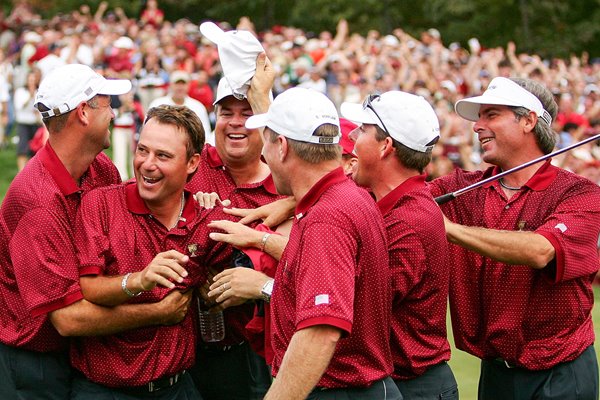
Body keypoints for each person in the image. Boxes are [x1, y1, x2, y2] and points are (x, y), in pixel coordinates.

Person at [0, 63, 191, 399]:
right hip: (33, 363)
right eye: (107, 103)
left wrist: (194, 194)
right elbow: (68, 319)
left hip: (75, 353)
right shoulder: (36, 202)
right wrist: (158, 313)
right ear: (84, 113)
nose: (114, 112)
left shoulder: (98, 167)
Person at [429, 77, 600, 400]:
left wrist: (449, 229)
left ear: (528, 121)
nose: (477, 126)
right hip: (496, 374)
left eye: (491, 114)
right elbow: (400, 198)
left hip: (561, 375)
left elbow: (540, 250)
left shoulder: (580, 192)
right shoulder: (463, 187)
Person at [245, 87, 400, 400]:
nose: (263, 155)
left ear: (283, 147)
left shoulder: (327, 216)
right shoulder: (347, 197)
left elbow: (321, 331)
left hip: (339, 390)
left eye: (267, 142)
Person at [71, 105, 234, 399]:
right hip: (102, 390)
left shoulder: (208, 221)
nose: (147, 164)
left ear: (192, 163)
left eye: (163, 156)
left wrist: (215, 293)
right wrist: (139, 280)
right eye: (142, 150)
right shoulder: (101, 205)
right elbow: (87, 288)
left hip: (176, 387)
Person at [341, 91, 458, 399]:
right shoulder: (395, 206)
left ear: (385, 146)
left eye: (363, 129)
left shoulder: (407, 222)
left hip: (412, 386)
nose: (352, 136)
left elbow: (357, 305)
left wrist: (264, 281)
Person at [186, 56, 282, 400]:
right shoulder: (191, 164)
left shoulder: (284, 183)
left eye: (246, 113)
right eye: (226, 113)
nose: (235, 123)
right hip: (184, 348)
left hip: (254, 353)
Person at [150, 70, 212, 145]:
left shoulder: (198, 107)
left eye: (183, 84)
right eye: (177, 83)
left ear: (188, 85)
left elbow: (206, 134)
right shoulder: (157, 104)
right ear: (170, 85)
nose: (180, 87)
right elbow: (148, 130)